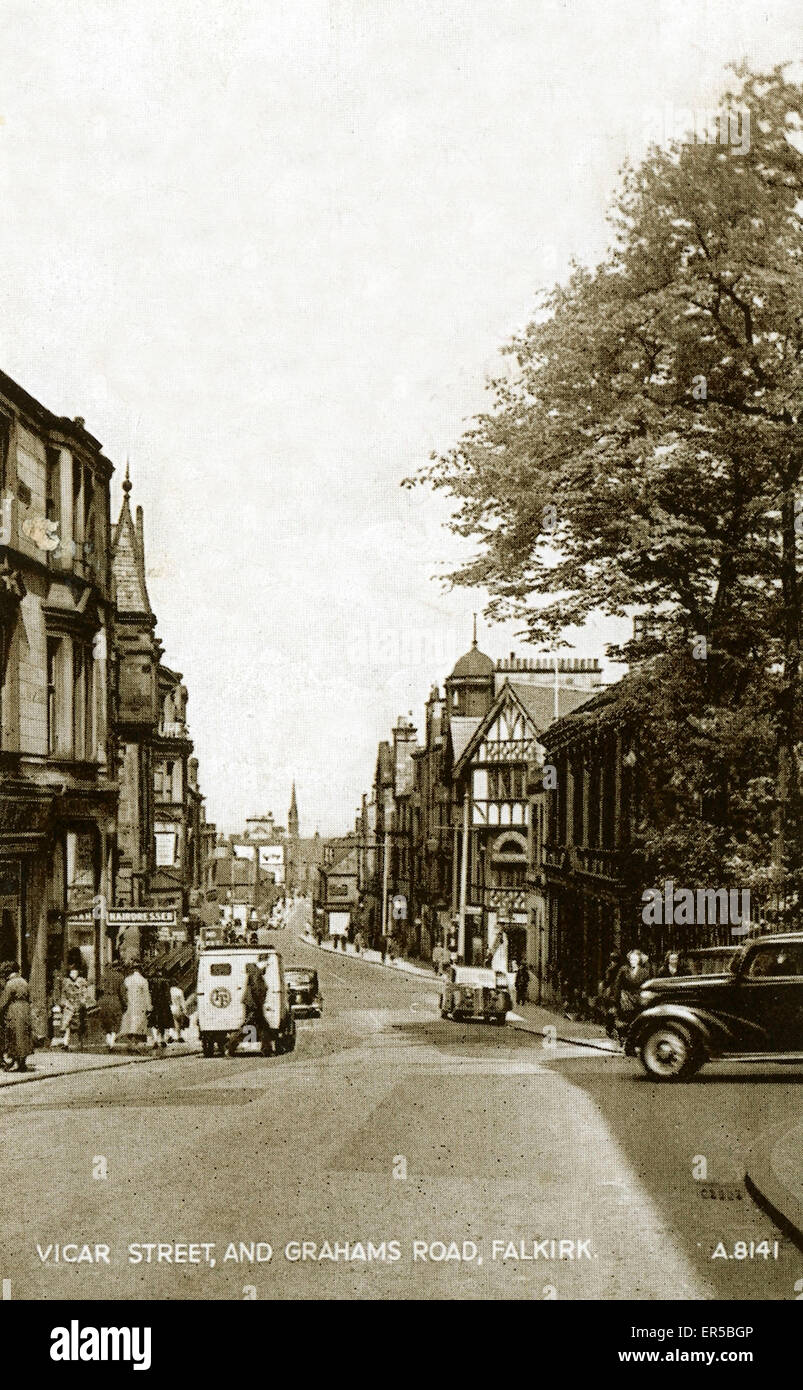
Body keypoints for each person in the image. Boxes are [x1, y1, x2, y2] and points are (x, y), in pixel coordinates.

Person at [229, 961, 268, 1056]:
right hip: (254, 1005)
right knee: (250, 1026)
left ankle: (266, 1049)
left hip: (253, 1004)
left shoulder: (255, 973)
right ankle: (230, 1045)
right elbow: (256, 990)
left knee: (262, 1027)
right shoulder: (256, 975)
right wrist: (258, 1004)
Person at [0, 965, 34, 1072]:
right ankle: (22, 1063)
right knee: (24, 1036)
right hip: (25, 1010)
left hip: (14, 1011)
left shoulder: (10, 984)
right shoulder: (24, 982)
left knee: (14, 1037)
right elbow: (30, 997)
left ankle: (17, 1064)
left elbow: (4, 1001)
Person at [612, 948, 651, 1038]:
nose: (632, 961)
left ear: (639, 960)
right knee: (624, 1022)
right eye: (631, 959)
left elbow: (647, 986)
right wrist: (616, 1000)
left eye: (635, 959)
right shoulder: (623, 970)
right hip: (625, 998)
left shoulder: (644, 972)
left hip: (639, 998)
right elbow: (617, 985)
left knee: (637, 1021)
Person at [119, 961, 152, 1050]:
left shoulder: (127, 980)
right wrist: (149, 1007)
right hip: (140, 1005)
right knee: (138, 1025)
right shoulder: (143, 981)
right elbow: (146, 995)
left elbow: (124, 991)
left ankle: (131, 1043)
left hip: (130, 1003)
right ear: (140, 970)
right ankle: (134, 1044)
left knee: (130, 1024)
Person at [97, 959, 125, 1051]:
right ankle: (112, 1043)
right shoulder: (120, 977)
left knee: (106, 1022)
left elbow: (99, 990)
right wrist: (125, 1004)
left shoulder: (104, 976)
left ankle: (108, 1040)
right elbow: (122, 993)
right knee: (115, 1022)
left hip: (104, 1000)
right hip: (114, 1000)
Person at [60, 966, 89, 1049]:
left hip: (79, 1007)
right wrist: (65, 1003)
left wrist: (82, 1002)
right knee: (67, 1025)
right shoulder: (66, 983)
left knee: (80, 1025)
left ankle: (81, 1042)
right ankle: (66, 1043)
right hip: (69, 1006)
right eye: (72, 973)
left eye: (75, 973)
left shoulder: (82, 982)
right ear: (69, 974)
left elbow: (85, 994)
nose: (73, 975)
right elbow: (63, 994)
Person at [146, 966, 173, 1049]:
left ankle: (155, 1040)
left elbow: (149, 992)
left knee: (154, 1023)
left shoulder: (150, 981)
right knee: (163, 1024)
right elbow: (167, 994)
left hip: (154, 1005)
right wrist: (169, 1002)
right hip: (163, 1005)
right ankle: (162, 1040)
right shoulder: (165, 981)